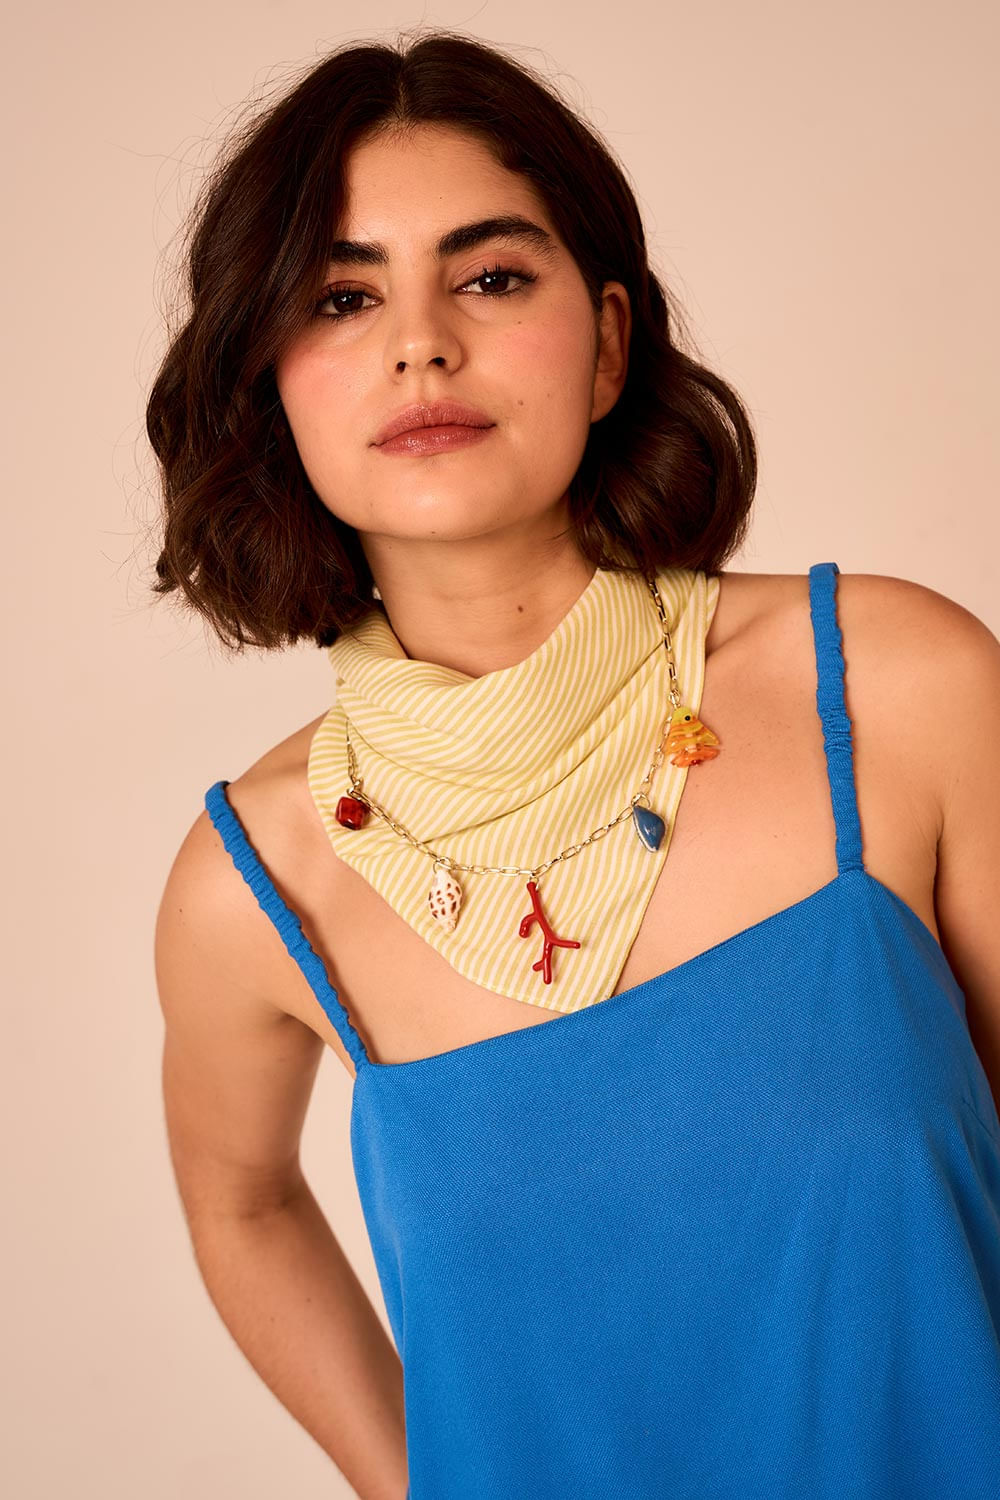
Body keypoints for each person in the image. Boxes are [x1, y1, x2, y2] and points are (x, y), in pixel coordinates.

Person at [149, 28, 1000, 1500]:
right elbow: (243, 1206)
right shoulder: (254, 881)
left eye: (490, 277)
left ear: (608, 343)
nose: (423, 342)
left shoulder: (895, 688)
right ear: (266, 383)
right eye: (342, 298)